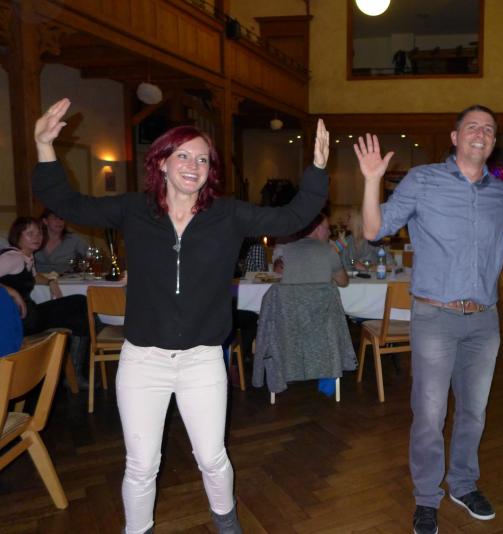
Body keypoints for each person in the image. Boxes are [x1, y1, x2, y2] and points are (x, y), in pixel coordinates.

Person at [32, 98, 330, 534]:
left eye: (203, 159)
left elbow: (292, 217)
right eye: (184, 155)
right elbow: (68, 202)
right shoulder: (135, 209)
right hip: (143, 360)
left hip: (202, 360)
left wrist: (317, 170)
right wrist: (44, 146)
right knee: (141, 465)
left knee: (212, 457)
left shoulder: (227, 215)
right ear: (163, 162)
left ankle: (226, 522)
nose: (194, 165)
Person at [353, 104, 503, 534]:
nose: (481, 133)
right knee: (430, 414)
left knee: (474, 412)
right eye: (472, 127)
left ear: (493, 143)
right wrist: (370, 181)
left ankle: (462, 484)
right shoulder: (423, 180)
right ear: (455, 137)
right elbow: (373, 230)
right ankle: (426, 498)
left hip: (484, 321)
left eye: (489, 129)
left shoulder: (502, 195)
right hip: (434, 317)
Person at [0, 217, 91, 384]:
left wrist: (50, 281)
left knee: (78, 315)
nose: (37, 237)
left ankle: (71, 372)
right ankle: (74, 373)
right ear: (17, 236)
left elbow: (34, 276)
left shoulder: (27, 256)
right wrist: (10, 291)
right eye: (30, 234)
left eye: (39, 233)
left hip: (28, 315)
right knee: (80, 303)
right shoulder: (13, 258)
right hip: (17, 322)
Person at [279, 213, 348, 287]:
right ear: (318, 228)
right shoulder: (328, 250)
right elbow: (343, 282)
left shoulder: (288, 248)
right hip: (320, 294)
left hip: (291, 294)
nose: (329, 232)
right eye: (327, 228)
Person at [339, 206, 395, 271]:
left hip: (372, 277)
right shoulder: (345, 241)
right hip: (351, 277)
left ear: (358, 220)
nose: (345, 220)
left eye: (349, 217)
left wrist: (367, 267)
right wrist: (354, 262)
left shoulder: (373, 240)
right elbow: (348, 262)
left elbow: (391, 265)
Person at [35, 208, 89, 273]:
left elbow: (90, 257)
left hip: (66, 278)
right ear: (45, 221)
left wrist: (82, 267)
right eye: (55, 218)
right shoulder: (35, 238)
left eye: (61, 218)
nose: (59, 222)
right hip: (38, 278)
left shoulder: (74, 240)